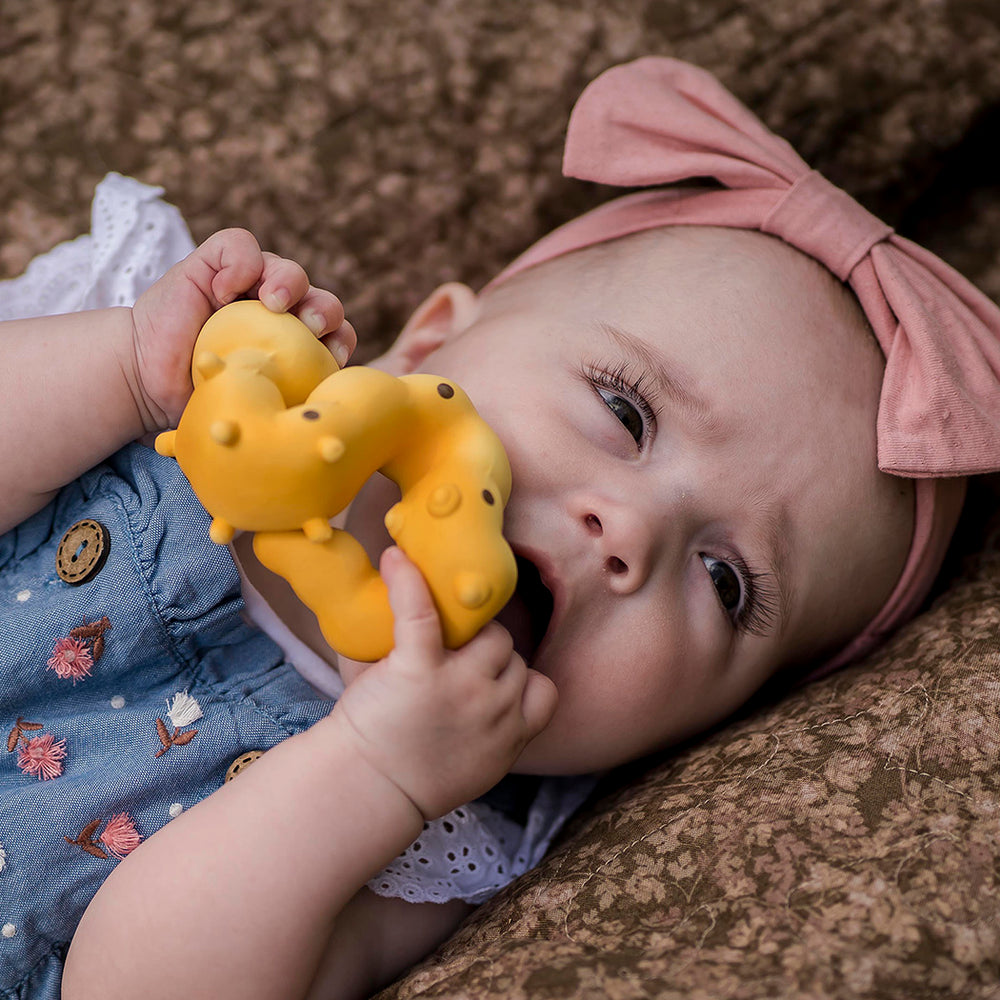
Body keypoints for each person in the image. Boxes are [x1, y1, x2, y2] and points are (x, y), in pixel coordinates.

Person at [0, 57, 996, 999]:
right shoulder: (163, 383)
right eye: (626, 412)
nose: (628, 530)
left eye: (726, 579)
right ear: (431, 339)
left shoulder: (433, 837)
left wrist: (374, 770)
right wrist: (129, 368)